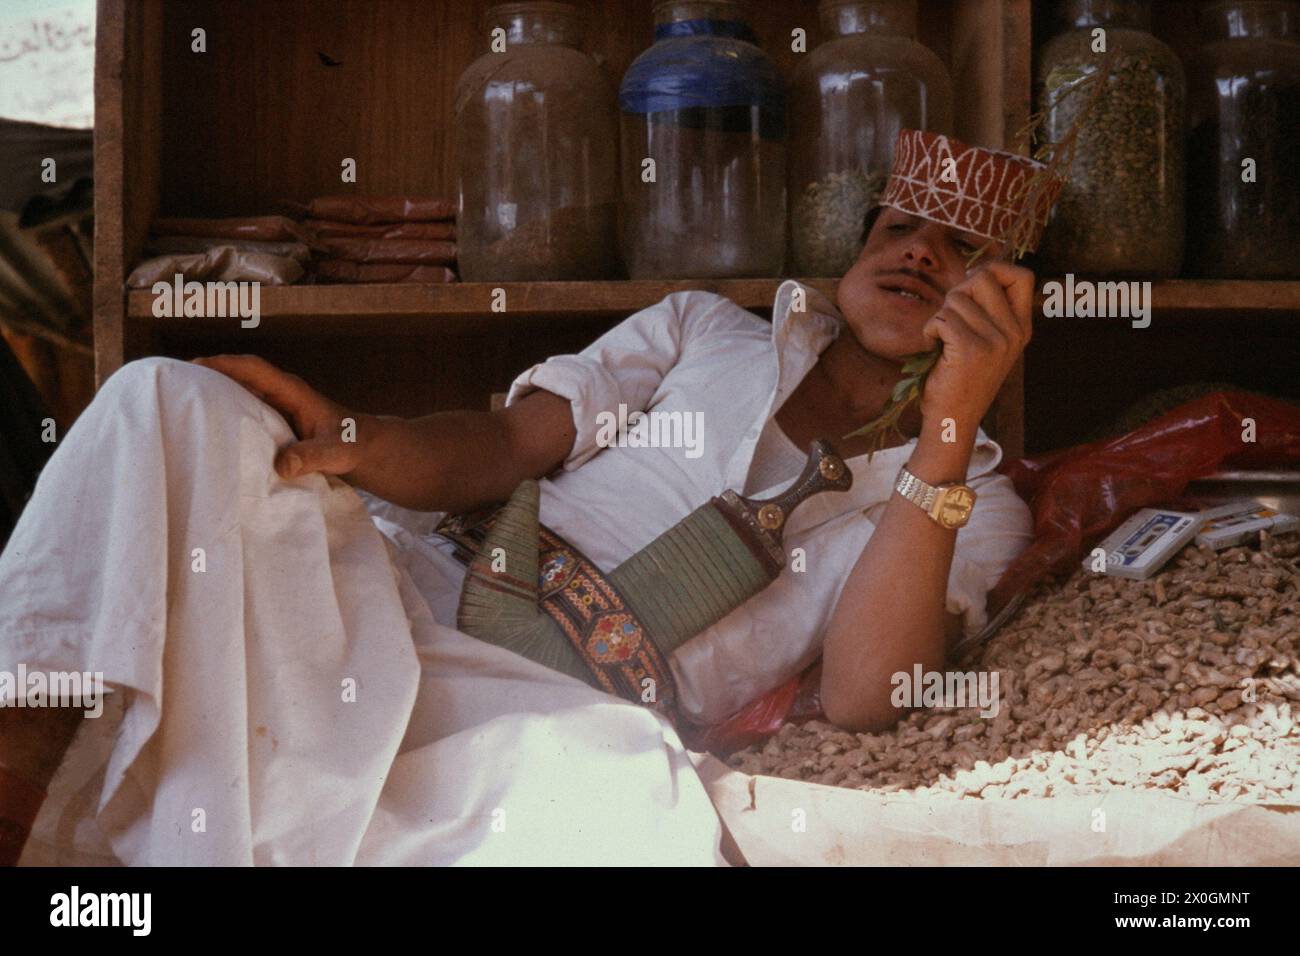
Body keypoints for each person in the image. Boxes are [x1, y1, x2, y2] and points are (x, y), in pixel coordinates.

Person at [0, 130, 1055, 866]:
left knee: (633, 837)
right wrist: (352, 434)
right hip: (415, 597)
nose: (920, 249)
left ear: (1007, 304)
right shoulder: (705, 329)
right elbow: (502, 443)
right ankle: (17, 775)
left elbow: (871, 691)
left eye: (963, 248)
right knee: (168, 400)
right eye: (898, 228)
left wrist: (952, 419)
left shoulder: (973, 493)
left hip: (549, 717)